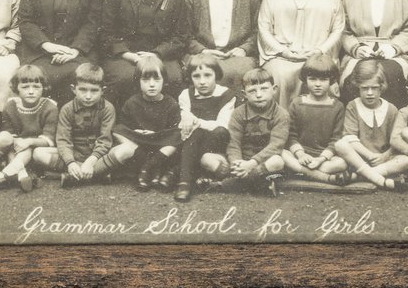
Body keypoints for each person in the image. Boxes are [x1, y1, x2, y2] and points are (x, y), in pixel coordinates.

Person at [257, 0, 344, 109]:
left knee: (319, 74)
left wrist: (320, 50)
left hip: (319, 56)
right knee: (280, 74)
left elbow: (338, 28)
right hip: (283, 57)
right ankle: (282, 126)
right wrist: (284, 51)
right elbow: (264, 28)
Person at [333, 59, 408, 189]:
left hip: (383, 159)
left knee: (407, 160)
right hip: (359, 158)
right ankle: (380, 179)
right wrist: (369, 156)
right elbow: (350, 138)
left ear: (381, 88)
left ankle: (362, 176)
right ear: (357, 87)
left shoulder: (391, 109)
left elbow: (396, 140)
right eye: (364, 88)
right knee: (341, 145)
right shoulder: (353, 106)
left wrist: (384, 156)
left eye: (374, 88)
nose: (369, 93)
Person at [111, 54, 184, 191]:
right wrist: (136, 131)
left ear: (164, 80)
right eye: (145, 79)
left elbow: (173, 129)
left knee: (179, 135)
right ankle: (150, 164)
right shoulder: (132, 102)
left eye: (157, 79)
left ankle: (148, 167)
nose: (151, 84)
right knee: (117, 130)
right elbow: (125, 125)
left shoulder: (171, 103)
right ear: (138, 81)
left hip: (161, 143)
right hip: (141, 142)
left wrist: (157, 133)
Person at [0, 64, 59, 191]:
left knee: (27, 149)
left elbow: (49, 139)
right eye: (25, 87)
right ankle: (21, 174)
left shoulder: (50, 107)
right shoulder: (11, 105)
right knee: (11, 147)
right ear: (16, 88)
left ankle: (7, 173)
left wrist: (28, 141)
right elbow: (9, 133)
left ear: (43, 87)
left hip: (39, 150)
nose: (31, 91)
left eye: (36, 87)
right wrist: (18, 142)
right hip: (17, 149)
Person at [174, 53, 237, 202]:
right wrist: (190, 121)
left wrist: (196, 121)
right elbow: (184, 122)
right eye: (196, 76)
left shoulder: (227, 95)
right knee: (193, 134)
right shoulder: (186, 94)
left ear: (217, 75)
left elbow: (222, 124)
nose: (202, 81)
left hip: (216, 142)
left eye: (208, 75)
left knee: (215, 131)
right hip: (192, 140)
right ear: (190, 77)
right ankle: (185, 183)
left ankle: (180, 175)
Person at [281, 53, 348, 183]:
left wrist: (321, 159)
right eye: (312, 79)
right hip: (300, 154)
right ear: (305, 80)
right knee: (282, 154)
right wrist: (300, 154)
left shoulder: (338, 106)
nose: (317, 84)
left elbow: (336, 138)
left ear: (331, 80)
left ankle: (302, 172)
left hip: (325, 157)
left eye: (323, 80)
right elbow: (291, 135)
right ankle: (324, 177)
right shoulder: (297, 103)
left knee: (342, 163)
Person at [222, 66, 289, 194]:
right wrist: (237, 163)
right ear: (244, 94)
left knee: (278, 161)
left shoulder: (281, 114)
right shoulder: (238, 113)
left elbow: (275, 146)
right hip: (242, 159)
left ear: (274, 89)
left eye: (264, 89)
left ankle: (236, 183)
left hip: (263, 162)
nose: (259, 95)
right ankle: (257, 183)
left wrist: (251, 164)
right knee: (208, 159)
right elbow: (233, 142)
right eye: (252, 91)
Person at [54, 63, 119, 188]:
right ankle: (99, 174)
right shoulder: (67, 109)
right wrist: (70, 162)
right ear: (74, 89)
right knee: (39, 154)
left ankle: (72, 177)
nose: (88, 96)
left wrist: (91, 161)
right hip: (75, 154)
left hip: (98, 157)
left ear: (102, 91)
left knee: (124, 151)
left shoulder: (107, 108)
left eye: (94, 91)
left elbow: (105, 140)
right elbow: (63, 140)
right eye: (83, 90)